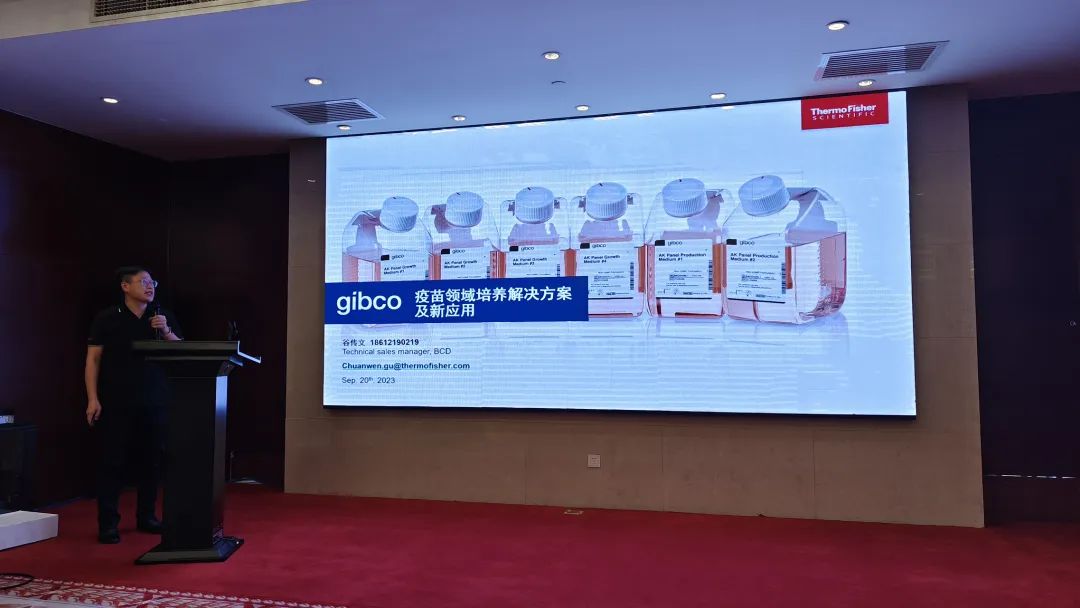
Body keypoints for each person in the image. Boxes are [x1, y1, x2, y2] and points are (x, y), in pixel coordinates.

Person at [85, 266, 183, 544]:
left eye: (152, 282)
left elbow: (181, 350)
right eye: (143, 281)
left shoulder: (161, 316)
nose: (150, 286)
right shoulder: (107, 318)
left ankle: (147, 516)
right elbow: (93, 359)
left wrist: (166, 331)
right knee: (112, 462)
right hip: (116, 400)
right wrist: (92, 398)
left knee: (151, 462)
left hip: (155, 400)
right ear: (125, 287)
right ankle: (108, 523)